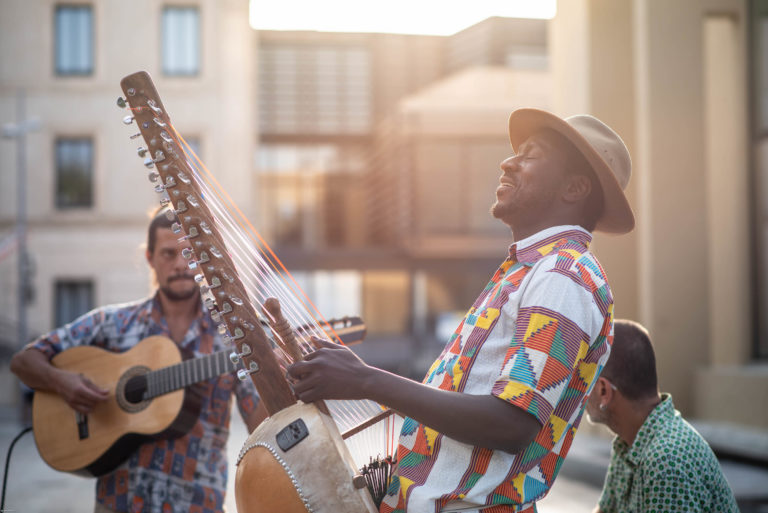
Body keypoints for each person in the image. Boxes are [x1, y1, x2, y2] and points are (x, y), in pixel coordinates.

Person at [287, 108, 635, 513]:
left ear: (574, 188)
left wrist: (364, 380)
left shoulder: (564, 274)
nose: (508, 162)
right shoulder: (530, 271)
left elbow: (511, 423)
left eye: (531, 155)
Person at [10, 206, 266, 513]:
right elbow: (24, 361)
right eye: (169, 254)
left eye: (189, 253)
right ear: (150, 258)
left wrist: (272, 366)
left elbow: (262, 426)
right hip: (118, 505)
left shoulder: (232, 338)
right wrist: (63, 382)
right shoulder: (112, 323)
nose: (181, 264)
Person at [586, 319, 739, 513]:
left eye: (584, 379)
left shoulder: (667, 461)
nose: (579, 391)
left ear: (603, 391)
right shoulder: (627, 443)